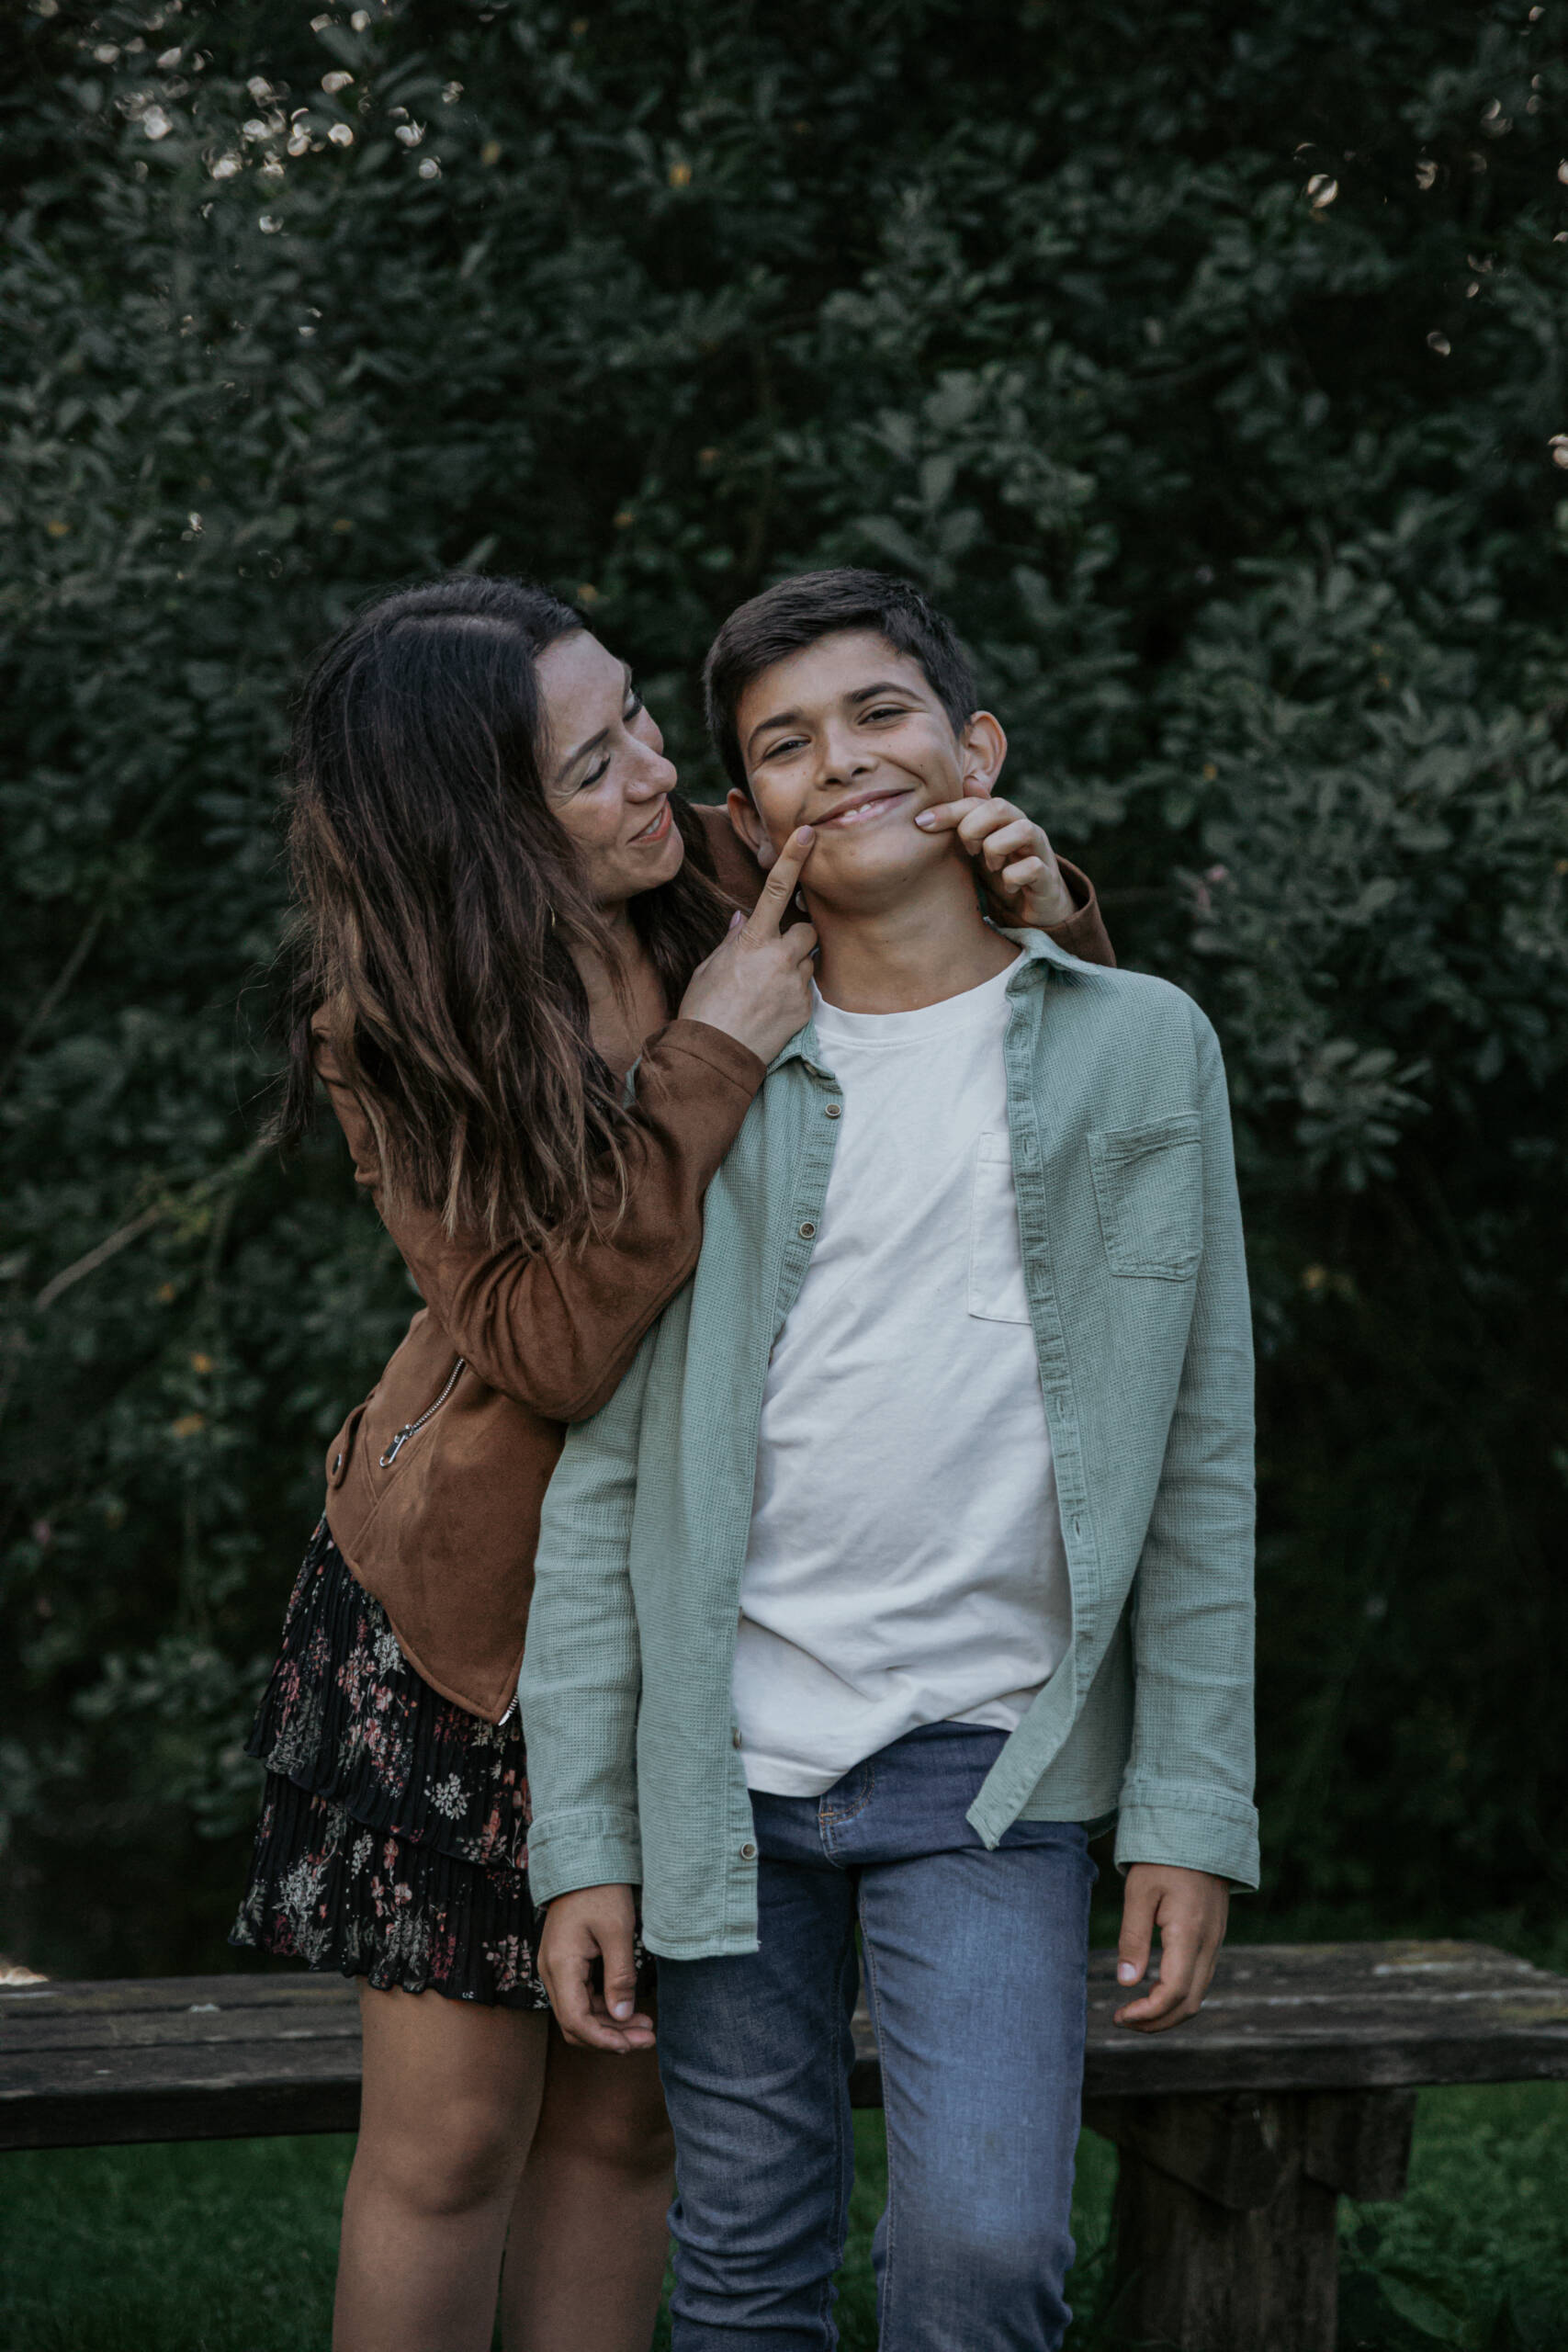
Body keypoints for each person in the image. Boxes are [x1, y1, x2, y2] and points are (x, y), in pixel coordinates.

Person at [230, 571, 1116, 2352]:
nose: (659, 771)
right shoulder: (393, 1029)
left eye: (637, 714)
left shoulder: (710, 863)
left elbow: (993, 1003)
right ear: (485, 831)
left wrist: (1041, 887)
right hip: (474, 1639)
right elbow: (549, 1343)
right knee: (454, 2136)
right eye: (593, 762)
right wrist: (712, 1050)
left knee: (630, 2115)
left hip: (706, 1596)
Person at [523, 569, 1258, 2352]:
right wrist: (584, 1838)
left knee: (982, 2247)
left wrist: (1187, 1804)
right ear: (744, 809)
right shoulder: (705, 1079)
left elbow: (1200, 1455)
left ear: (973, 745)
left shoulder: (1138, 1043)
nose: (835, 761)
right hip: (726, 1767)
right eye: (780, 742)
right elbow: (603, 1478)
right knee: (744, 2263)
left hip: (990, 1758)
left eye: (877, 714)